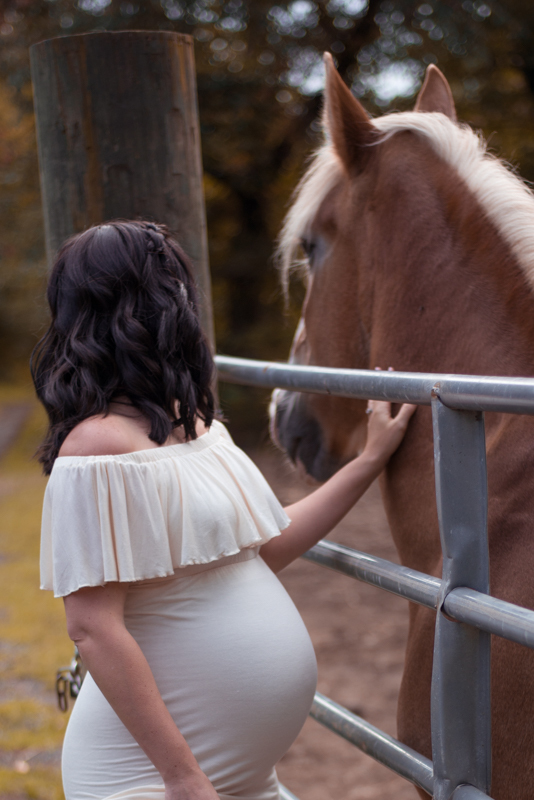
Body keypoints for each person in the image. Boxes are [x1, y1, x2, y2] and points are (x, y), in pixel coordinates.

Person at [33, 220, 415, 800]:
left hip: (243, 776)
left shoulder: (192, 422)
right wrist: (182, 776)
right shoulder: (94, 446)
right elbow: (92, 626)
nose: (185, 300)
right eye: (170, 284)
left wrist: (367, 460)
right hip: (152, 782)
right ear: (136, 305)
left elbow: (264, 551)